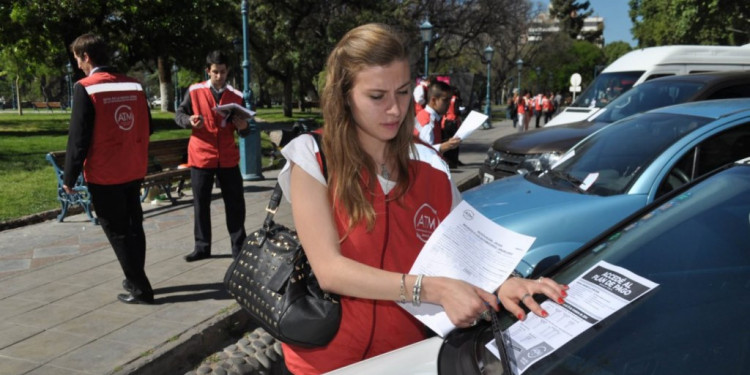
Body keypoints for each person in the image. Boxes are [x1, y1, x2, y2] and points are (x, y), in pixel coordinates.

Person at [277, 23, 568, 374]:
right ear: (343, 95)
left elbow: (464, 246)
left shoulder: (428, 160)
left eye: (402, 92)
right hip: (326, 361)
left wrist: (504, 282)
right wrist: (432, 290)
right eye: (376, 96)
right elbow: (330, 270)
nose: (395, 110)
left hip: (412, 357)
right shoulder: (312, 156)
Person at [63, 33, 154, 304]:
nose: (78, 64)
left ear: (87, 57)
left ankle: (140, 288)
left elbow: (78, 139)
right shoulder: (135, 85)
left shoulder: (86, 88)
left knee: (117, 231)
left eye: (78, 58)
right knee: (134, 226)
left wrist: (69, 175)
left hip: (105, 172)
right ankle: (134, 276)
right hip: (133, 168)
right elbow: (149, 124)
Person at [175, 51, 248, 262]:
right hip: (201, 156)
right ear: (208, 71)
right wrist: (190, 120)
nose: (219, 76)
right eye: (215, 72)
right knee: (201, 203)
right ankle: (202, 247)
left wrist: (243, 127)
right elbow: (179, 115)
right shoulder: (195, 91)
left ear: (227, 71)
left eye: (223, 72)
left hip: (227, 157)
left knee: (235, 203)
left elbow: (244, 131)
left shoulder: (236, 95)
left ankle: (239, 247)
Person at [415, 80, 461, 154]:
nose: (449, 104)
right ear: (433, 100)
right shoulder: (428, 123)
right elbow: (425, 152)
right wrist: (447, 145)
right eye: (445, 100)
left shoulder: (424, 115)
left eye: (449, 100)